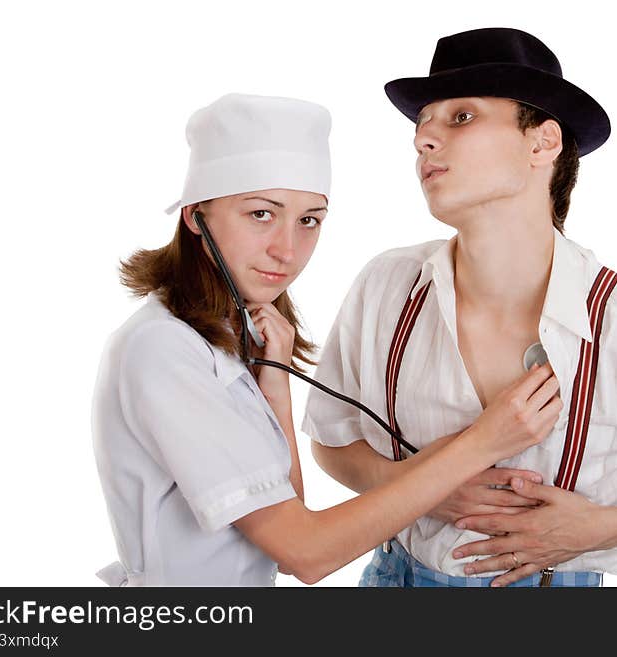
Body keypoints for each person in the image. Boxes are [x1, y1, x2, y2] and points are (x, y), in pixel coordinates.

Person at [303, 28, 617, 587]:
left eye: (460, 117)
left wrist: (603, 528)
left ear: (542, 143)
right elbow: (332, 441)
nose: (424, 141)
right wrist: (418, 483)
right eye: (422, 125)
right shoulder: (388, 285)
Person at [91, 92, 557, 587]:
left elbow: (287, 513)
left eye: (308, 220)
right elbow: (305, 554)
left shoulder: (230, 339)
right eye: (261, 214)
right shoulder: (163, 349)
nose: (287, 250)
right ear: (196, 216)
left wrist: (275, 390)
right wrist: (482, 443)